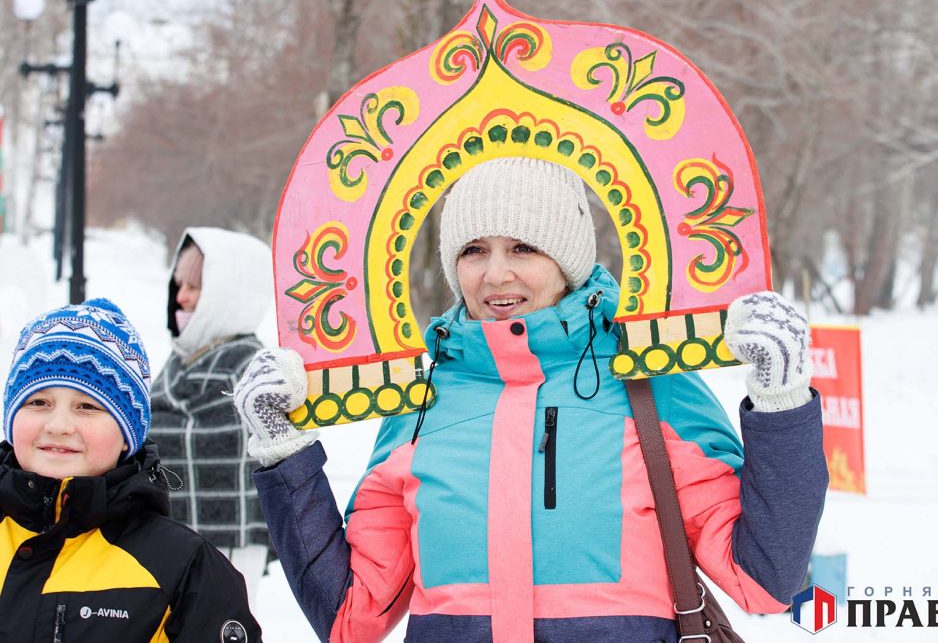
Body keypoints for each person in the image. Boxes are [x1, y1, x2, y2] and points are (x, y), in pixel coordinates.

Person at [235, 158, 828, 642]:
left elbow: (765, 578)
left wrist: (782, 404)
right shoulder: (421, 401)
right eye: (473, 250)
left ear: (566, 259)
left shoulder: (648, 381)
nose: (495, 275)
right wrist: (283, 455)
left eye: (523, 247)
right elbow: (348, 617)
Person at [0, 298, 260, 642]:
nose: (59, 424)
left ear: (127, 435)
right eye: (38, 402)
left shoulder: (185, 568)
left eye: (87, 406)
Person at [149, 227, 274, 603]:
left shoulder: (252, 367)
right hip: (166, 531)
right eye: (178, 285)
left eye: (195, 287)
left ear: (229, 294)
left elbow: (257, 447)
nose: (181, 297)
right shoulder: (179, 361)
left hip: (229, 540)